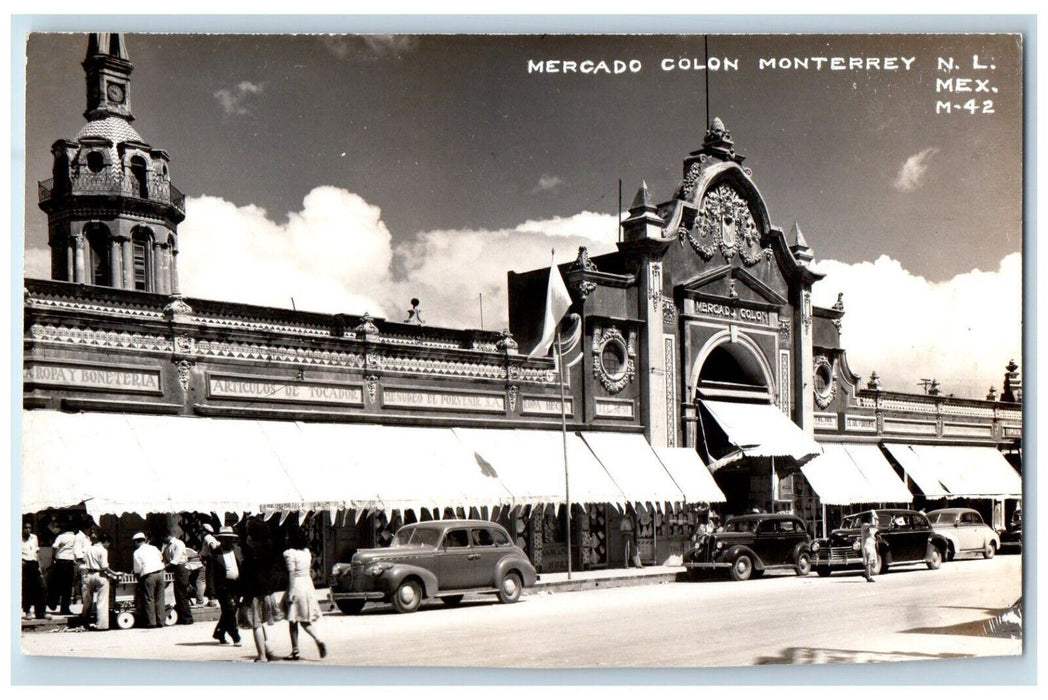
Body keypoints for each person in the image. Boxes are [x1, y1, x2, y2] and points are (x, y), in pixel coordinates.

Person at [238, 519, 282, 662]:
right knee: (261, 622)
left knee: (256, 624)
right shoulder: (268, 550)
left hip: (254, 594)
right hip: (267, 592)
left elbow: (245, 578)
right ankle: (268, 651)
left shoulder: (250, 557)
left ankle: (262, 655)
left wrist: (239, 594)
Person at [282, 528, 327, 661]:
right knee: (303, 618)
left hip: (296, 585)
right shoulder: (306, 552)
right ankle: (316, 640)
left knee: (294, 620)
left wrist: (290, 591)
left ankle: (296, 650)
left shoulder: (289, 553)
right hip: (307, 585)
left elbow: (291, 573)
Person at [80, 529, 120, 630]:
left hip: (87, 574)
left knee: (87, 601)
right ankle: (101, 625)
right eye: (108, 543)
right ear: (105, 542)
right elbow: (104, 567)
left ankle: (84, 622)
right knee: (101, 600)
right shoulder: (103, 550)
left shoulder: (88, 548)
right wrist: (115, 573)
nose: (108, 546)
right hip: (99, 575)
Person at [209, 526, 243, 646]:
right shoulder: (215, 553)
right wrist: (211, 592)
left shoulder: (238, 550)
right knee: (229, 609)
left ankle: (220, 632)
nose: (228, 541)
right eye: (225, 539)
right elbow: (211, 573)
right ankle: (236, 636)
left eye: (230, 539)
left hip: (237, 585)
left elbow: (242, 567)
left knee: (231, 610)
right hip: (223, 586)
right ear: (221, 540)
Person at [131, 532, 167, 627]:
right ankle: (161, 621)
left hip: (148, 575)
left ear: (136, 542)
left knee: (149, 598)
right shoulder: (154, 548)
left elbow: (138, 568)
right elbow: (161, 557)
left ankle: (152, 622)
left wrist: (136, 573)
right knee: (160, 598)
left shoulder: (137, 552)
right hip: (160, 573)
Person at [21, 519, 51, 620]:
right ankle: (27, 611)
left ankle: (41, 612)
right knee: (27, 589)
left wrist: (39, 565)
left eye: (29, 528)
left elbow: (36, 552)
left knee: (41, 588)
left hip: (34, 564)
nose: (27, 530)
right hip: (24, 564)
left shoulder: (34, 537)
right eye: (25, 528)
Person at [163, 530, 194, 624]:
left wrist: (164, 567)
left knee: (182, 594)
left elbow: (175, 560)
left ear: (167, 536)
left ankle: (187, 618)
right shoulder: (167, 546)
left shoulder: (178, 544)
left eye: (163, 538)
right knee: (177, 594)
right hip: (174, 569)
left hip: (180, 568)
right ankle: (181, 616)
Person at [48, 518, 77, 615]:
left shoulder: (60, 537)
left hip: (60, 561)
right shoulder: (75, 538)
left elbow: (54, 547)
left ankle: (53, 602)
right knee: (67, 586)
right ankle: (65, 608)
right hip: (69, 562)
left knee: (56, 583)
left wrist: (53, 558)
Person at [861, 513, 880, 583]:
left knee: (873, 562)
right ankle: (868, 577)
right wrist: (873, 515)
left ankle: (866, 573)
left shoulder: (871, 527)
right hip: (866, 545)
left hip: (872, 544)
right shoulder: (864, 525)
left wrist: (875, 516)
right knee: (868, 560)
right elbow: (873, 524)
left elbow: (876, 525)